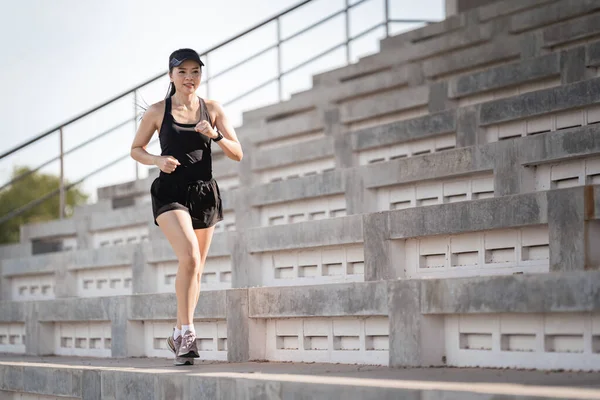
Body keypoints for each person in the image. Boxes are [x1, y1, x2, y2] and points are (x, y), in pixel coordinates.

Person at [130, 48, 243, 366]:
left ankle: (179, 334)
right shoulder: (156, 111)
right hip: (170, 191)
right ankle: (189, 333)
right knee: (190, 256)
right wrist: (156, 160)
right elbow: (136, 149)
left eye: (195, 72)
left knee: (195, 268)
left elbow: (238, 153)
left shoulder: (213, 108)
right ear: (171, 75)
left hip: (205, 192)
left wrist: (216, 134)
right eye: (183, 72)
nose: (190, 77)